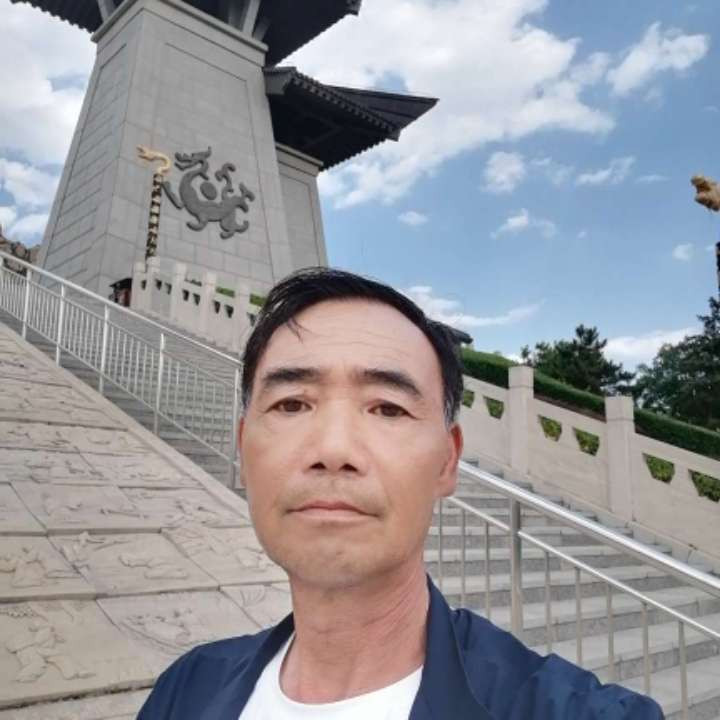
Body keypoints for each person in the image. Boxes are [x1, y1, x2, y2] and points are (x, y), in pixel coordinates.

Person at [138, 268, 664, 719]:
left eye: (388, 408)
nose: (333, 449)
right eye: (292, 404)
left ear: (447, 460)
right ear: (242, 448)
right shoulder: (185, 691)